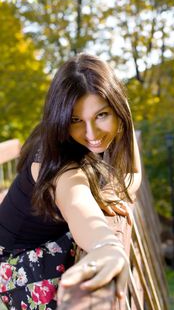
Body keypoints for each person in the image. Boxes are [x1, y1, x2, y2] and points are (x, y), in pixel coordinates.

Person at [0, 53, 142, 309]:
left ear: (118, 109)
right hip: (11, 269)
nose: (92, 134)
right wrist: (106, 246)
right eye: (75, 120)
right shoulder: (59, 167)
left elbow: (132, 173)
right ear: (61, 118)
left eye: (101, 115)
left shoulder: (120, 122)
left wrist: (114, 192)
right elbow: (78, 204)